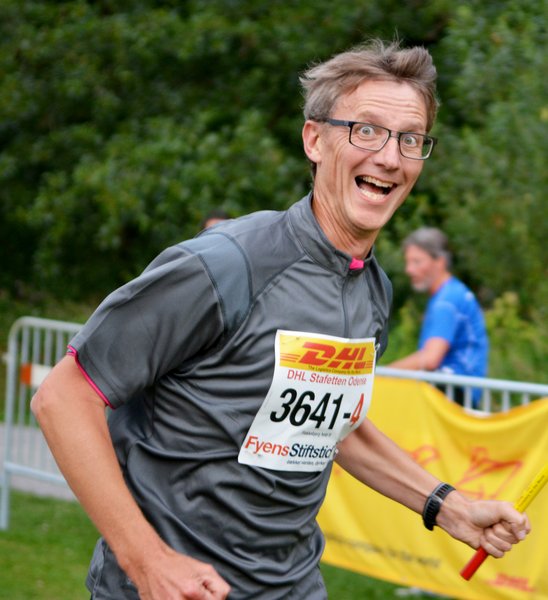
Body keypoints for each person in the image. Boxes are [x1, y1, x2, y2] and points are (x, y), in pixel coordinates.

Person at [31, 40, 529, 600]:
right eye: (366, 131)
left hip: (292, 586)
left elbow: (334, 427)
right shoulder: (225, 264)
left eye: (410, 139)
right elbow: (63, 397)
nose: (390, 157)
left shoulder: (373, 290)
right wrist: (146, 561)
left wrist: (450, 507)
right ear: (314, 139)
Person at [388, 227, 489, 404]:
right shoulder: (451, 293)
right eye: (408, 262)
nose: (408, 269)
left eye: (417, 262)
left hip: (454, 393)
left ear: (440, 262)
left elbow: (430, 359)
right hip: (459, 391)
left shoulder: (446, 301)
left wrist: (383, 374)